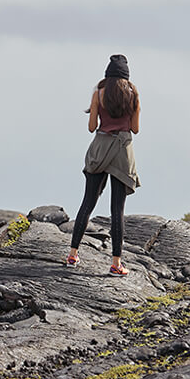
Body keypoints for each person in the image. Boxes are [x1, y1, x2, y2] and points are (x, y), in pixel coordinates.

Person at [65, 54, 142, 276]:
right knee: (117, 209)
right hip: (122, 153)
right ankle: (116, 264)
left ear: (107, 74)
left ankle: (72, 254)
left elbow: (91, 127)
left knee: (87, 203)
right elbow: (135, 129)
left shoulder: (99, 93)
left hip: (100, 149)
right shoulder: (134, 94)